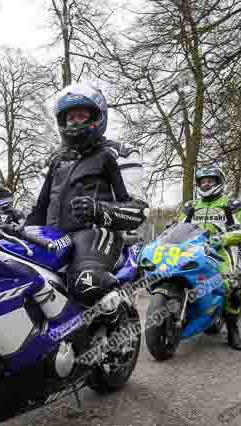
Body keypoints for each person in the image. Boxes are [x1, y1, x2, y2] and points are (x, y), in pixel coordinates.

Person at [24, 83, 148, 320]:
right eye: (71, 117)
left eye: (82, 115)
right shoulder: (56, 159)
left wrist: (99, 210)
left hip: (96, 234)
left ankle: (115, 309)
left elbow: (137, 210)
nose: (76, 122)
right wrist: (15, 226)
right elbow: (39, 208)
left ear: (97, 117)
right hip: (53, 237)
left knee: (84, 284)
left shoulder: (118, 153)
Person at [180, 167, 241, 350]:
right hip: (193, 249)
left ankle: (233, 330)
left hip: (221, 251)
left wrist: (222, 239)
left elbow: (240, 231)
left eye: (211, 180)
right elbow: (179, 228)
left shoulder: (230, 204)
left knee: (232, 287)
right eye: (203, 181)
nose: (206, 183)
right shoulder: (190, 206)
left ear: (218, 183)